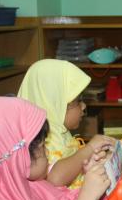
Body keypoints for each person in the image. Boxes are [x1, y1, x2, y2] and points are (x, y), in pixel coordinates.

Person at [18, 59, 114, 189]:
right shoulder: (38, 139)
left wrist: (92, 161)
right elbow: (55, 178)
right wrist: (90, 149)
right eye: (77, 101)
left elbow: (72, 164)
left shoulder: (58, 131)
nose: (84, 106)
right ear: (54, 103)